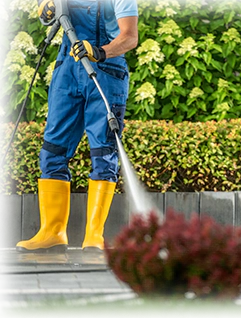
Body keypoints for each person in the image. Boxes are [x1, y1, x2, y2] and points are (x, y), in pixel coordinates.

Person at [16, 0, 138, 253]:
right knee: (52, 150)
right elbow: (48, 12)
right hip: (67, 71)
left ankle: (94, 235)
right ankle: (52, 231)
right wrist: (45, 7)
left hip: (106, 71)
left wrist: (100, 51)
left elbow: (129, 37)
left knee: (103, 153)